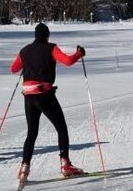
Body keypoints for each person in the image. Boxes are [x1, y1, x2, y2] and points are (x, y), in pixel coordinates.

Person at [11, 23, 86, 186]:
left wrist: (27, 64)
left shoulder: (24, 50)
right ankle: (65, 164)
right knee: (61, 128)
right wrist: (79, 53)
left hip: (28, 96)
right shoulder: (51, 48)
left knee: (31, 133)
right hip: (44, 94)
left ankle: (24, 168)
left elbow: (13, 69)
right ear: (47, 35)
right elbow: (67, 61)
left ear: (35, 35)